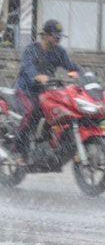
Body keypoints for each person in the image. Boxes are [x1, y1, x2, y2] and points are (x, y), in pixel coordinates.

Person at [14, 20, 80, 161]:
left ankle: (51, 144)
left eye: (59, 37)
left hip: (45, 93)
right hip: (26, 91)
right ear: (45, 35)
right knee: (30, 111)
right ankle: (19, 149)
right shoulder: (31, 49)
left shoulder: (59, 52)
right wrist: (37, 76)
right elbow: (27, 67)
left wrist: (84, 75)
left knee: (61, 111)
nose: (58, 39)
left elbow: (71, 65)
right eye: (55, 37)